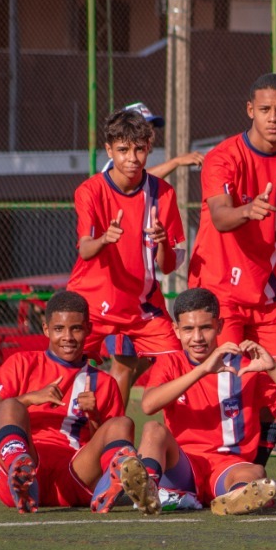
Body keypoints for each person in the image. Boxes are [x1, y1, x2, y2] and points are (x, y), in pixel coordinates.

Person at [188, 73, 276, 467]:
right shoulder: (223, 156)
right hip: (218, 286)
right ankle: (206, 463)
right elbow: (221, 217)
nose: (273, 118)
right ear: (250, 111)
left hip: (264, 287)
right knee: (226, 376)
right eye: (265, 110)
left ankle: (254, 465)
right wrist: (248, 210)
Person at [0, 291, 158, 515]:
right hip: (28, 463)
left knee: (122, 423)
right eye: (59, 329)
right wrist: (29, 398)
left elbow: (102, 442)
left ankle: (111, 484)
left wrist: (94, 417)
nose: (67, 337)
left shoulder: (104, 383)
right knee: (11, 406)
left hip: (73, 476)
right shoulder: (22, 363)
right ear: (46, 329)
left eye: (76, 328)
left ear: (88, 329)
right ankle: (20, 472)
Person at [138, 288, 276, 516]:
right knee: (153, 430)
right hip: (182, 465)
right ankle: (146, 490)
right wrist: (202, 371)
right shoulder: (170, 362)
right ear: (176, 331)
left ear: (219, 326)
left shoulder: (245, 367)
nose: (197, 338)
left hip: (227, 467)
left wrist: (274, 369)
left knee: (254, 472)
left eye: (206, 328)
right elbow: (148, 405)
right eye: (189, 329)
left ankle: (235, 498)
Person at [69, 108, 186, 409]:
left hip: (141, 310)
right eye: (122, 150)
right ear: (109, 150)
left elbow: (170, 264)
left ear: (149, 147)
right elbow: (84, 249)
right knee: (62, 374)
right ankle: (63, 438)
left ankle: (171, 444)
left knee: (182, 365)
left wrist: (162, 243)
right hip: (92, 304)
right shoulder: (90, 191)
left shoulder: (164, 194)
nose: (131, 158)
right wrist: (104, 239)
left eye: (139, 149)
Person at [101, 101, 204, 181]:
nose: (151, 133)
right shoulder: (116, 164)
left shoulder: (140, 159)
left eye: (151, 128)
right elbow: (137, 181)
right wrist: (176, 162)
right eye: (143, 128)